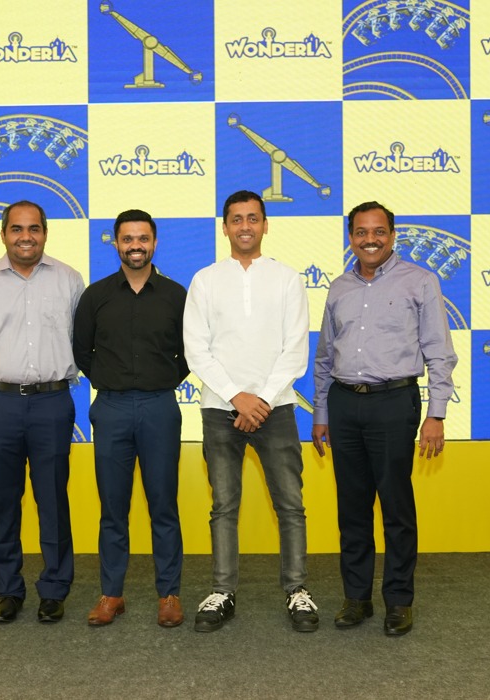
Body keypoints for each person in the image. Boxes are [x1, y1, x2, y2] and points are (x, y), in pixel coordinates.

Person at [311, 201, 457, 636]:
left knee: (396, 507)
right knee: (352, 508)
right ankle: (356, 598)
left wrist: (436, 414)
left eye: (378, 231)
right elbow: (324, 357)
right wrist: (321, 412)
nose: (370, 239)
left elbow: (439, 351)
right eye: (361, 232)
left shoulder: (420, 281)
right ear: (351, 238)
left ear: (392, 236)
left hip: (394, 403)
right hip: (344, 404)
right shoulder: (339, 287)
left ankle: (399, 600)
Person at [183, 190, 318, 633]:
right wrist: (235, 397)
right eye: (237, 219)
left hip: (276, 409)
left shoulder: (286, 279)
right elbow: (196, 350)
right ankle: (223, 591)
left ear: (265, 225)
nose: (245, 226)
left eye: (253, 218)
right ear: (225, 227)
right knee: (224, 506)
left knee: (291, 505)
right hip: (219, 409)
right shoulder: (205, 280)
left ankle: (297, 590)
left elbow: (295, 350)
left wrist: (261, 400)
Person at [0, 200, 84, 624]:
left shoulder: (69, 280)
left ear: (45, 233)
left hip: (52, 403)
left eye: (34, 229)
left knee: (53, 499)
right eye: (17, 229)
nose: (25, 237)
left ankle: (54, 589)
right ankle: (8, 589)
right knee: (3, 501)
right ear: (3, 234)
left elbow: (80, 337)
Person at [72, 209, 188, 628]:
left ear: (154, 243)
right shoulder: (96, 296)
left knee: (164, 506)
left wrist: (161, 381)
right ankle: (111, 594)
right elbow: (81, 351)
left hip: (160, 407)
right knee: (112, 508)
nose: (135, 246)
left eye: (143, 238)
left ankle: (169, 594)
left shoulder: (175, 295)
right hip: (112, 408)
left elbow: (190, 353)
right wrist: (112, 381)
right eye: (127, 239)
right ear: (116, 243)